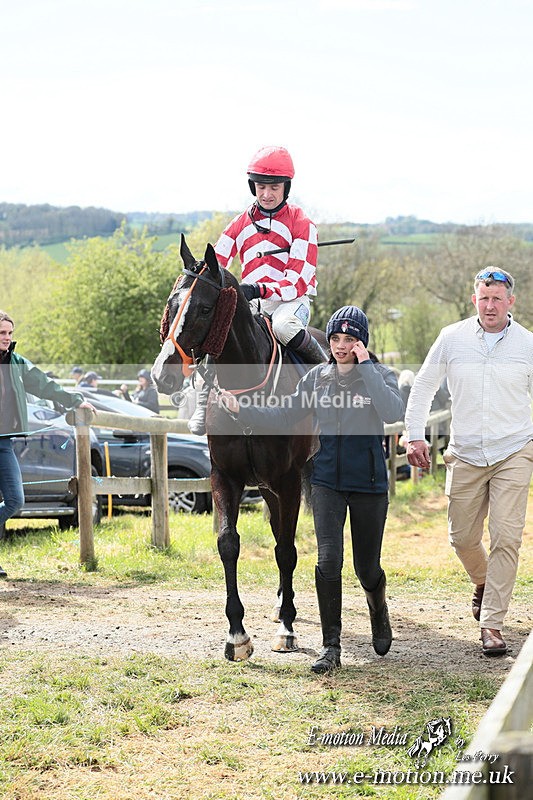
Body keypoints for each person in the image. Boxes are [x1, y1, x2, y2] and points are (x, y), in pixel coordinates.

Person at [218, 306, 404, 673]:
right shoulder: (316, 378)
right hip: (326, 483)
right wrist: (244, 410)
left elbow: (392, 410)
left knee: (367, 569)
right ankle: (330, 647)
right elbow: (284, 414)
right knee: (327, 562)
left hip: (368, 485)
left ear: (361, 342)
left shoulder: (379, 375)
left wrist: (366, 368)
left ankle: (377, 608)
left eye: (349, 339)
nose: (339, 345)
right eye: (335, 338)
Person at [404, 269, 533, 657]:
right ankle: (482, 581)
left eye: (497, 298)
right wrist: (414, 434)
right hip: (465, 452)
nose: (490, 305)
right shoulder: (452, 338)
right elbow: (424, 384)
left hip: (514, 450)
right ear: (473, 299)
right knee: (461, 537)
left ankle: (492, 622)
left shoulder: (527, 344)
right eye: (483, 298)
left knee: (507, 537)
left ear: (511, 302)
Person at [188, 145, 325, 435]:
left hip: (290, 301)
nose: (267, 194)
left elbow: (297, 282)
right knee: (222, 327)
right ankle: (203, 400)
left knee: (284, 326)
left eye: (274, 187)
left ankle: (327, 375)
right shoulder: (240, 223)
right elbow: (217, 263)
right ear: (253, 186)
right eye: (261, 187)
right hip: (254, 301)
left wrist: (258, 289)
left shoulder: (302, 224)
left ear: (286, 188)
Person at [0, 311, 96, 576]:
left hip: (4, 443)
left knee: (14, 501)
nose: (7, 338)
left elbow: (44, 385)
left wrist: (75, 400)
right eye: (2, 333)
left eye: (9, 333)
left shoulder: (16, 363)